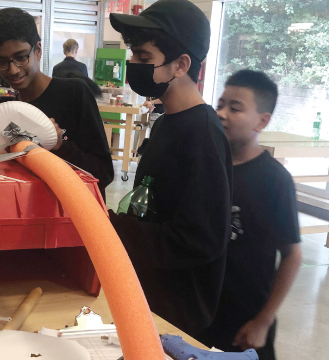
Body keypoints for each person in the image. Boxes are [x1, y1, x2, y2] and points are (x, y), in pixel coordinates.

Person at [108, 0, 233, 336]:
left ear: (181, 64)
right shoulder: (166, 124)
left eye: (144, 58)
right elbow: (148, 201)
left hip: (178, 313)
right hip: (149, 292)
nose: (133, 64)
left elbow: (200, 238)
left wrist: (114, 230)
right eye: (133, 54)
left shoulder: (203, 135)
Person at [197, 70, 302, 359]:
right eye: (220, 104)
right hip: (202, 311)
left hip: (246, 320)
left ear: (262, 121)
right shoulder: (208, 167)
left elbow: (292, 254)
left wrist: (263, 321)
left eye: (235, 107)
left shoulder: (275, 180)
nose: (222, 114)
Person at [0, 8, 114, 198]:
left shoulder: (75, 93)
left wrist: (61, 145)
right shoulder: (12, 113)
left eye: (20, 57)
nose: (12, 70)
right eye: (1, 61)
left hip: (75, 218)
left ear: (37, 50)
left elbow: (104, 173)